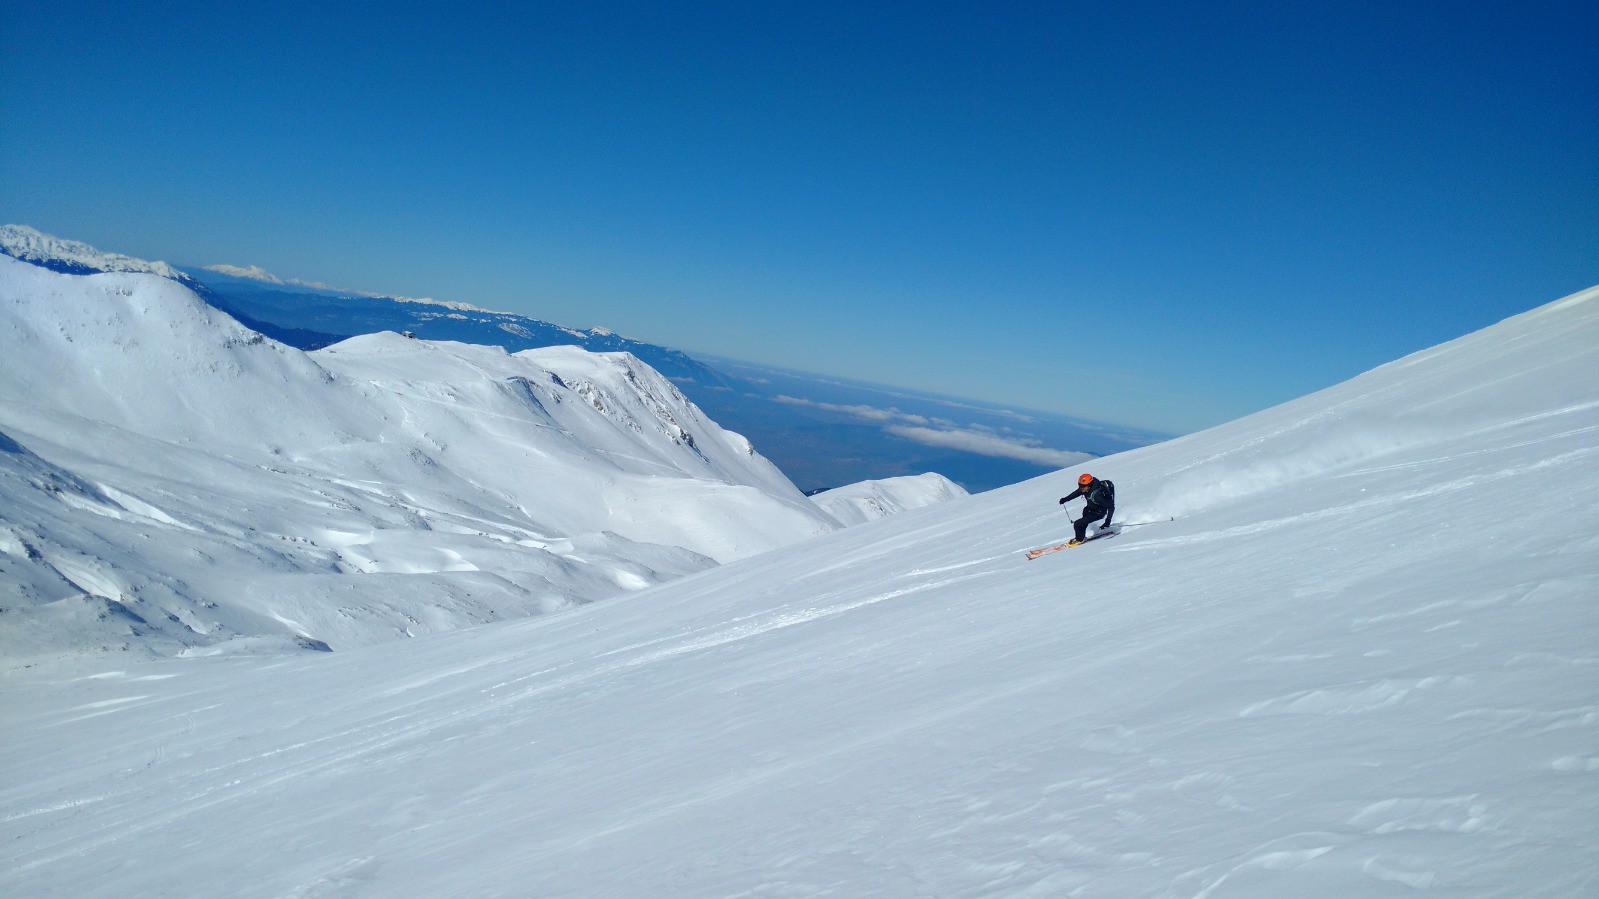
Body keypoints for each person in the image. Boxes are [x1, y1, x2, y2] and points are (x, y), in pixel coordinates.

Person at [1058, 473, 1115, 546]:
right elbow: (1076, 493)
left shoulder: (1097, 495)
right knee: (1084, 513)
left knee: (1077, 524)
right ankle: (1081, 536)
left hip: (1098, 513)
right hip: (1090, 509)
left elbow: (1111, 506)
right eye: (1080, 486)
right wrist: (1066, 499)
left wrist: (1108, 521)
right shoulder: (1085, 488)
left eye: (1082, 487)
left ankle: (1079, 539)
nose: (1081, 489)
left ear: (1089, 485)